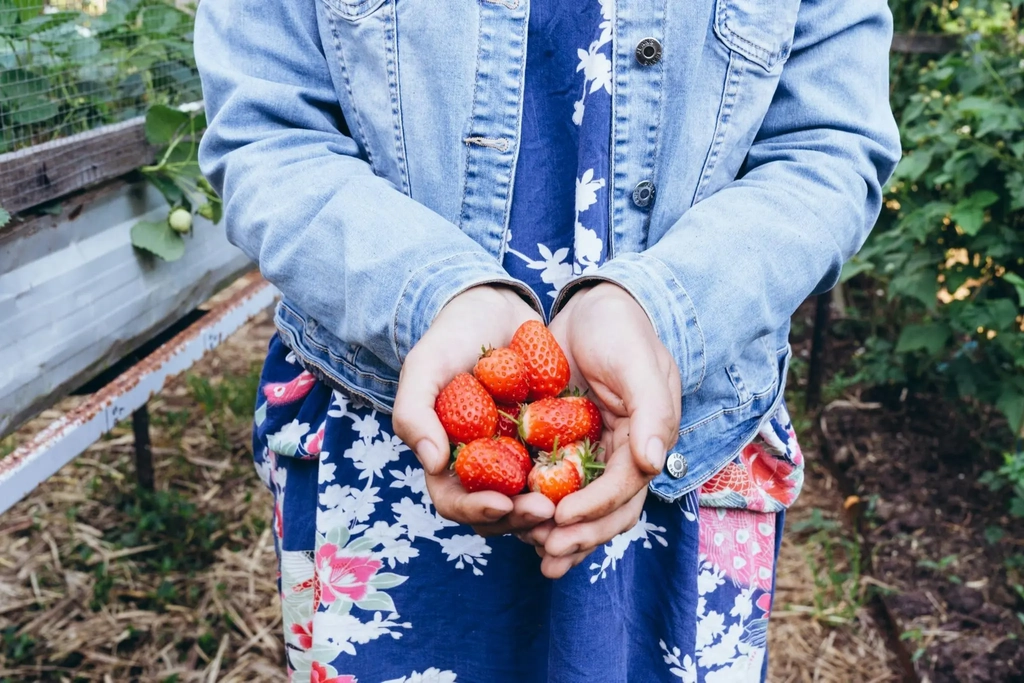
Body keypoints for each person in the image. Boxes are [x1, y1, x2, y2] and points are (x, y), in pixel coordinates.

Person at [193, 0, 900, 679]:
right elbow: (265, 133)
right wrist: (435, 293)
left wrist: (657, 309)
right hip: (385, 441)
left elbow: (829, 147)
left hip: (685, 433)